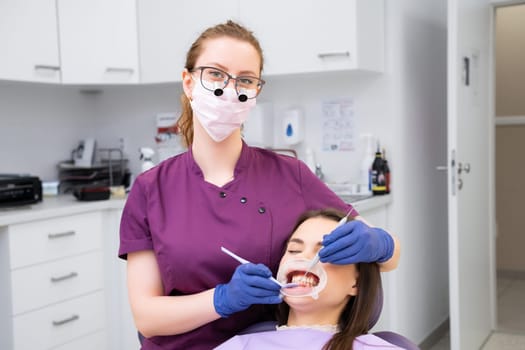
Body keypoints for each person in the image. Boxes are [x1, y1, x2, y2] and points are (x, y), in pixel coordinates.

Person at [119, 20, 400, 349]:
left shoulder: (289, 175)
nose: (229, 88)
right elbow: (147, 317)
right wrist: (222, 299)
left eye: (245, 79)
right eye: (215, 74)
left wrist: (381, 244)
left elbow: (389, 259)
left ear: (255, 92)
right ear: (188, 81)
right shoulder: (151, 189)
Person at [215, 209, 403, 350]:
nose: (302, 258)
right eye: (294, 250)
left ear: (356, 284)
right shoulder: (241, 345)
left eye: (324, 253)